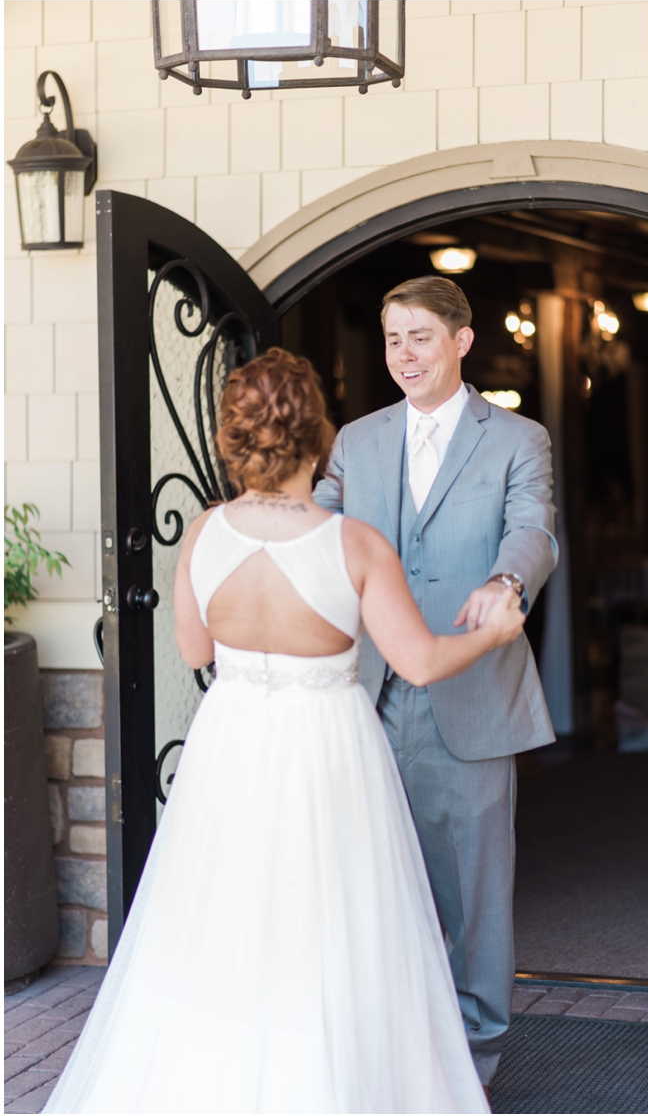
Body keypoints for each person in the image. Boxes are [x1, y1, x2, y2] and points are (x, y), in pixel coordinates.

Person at [45, 348, 515, 1112]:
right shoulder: (354, 545)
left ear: (235, 438)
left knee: (224, 917)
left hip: (231, 745)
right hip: (327, 749)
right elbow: (422, 662)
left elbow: (197, 651)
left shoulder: (202, 533)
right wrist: (493, 635)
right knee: (331, 920)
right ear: (318, 439)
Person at [312, 276, 559, 1097]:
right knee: (370, 883)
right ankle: (390, 1055)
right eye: (392, 340)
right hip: (364, 697)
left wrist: (504, 582)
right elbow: (317, 530)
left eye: (420, 337)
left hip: (468, 688)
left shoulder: (519, 438)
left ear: (461, 340)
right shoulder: (356, 440)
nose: (404, 355)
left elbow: (533, 530)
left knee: (473, 896)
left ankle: (475, 1066)